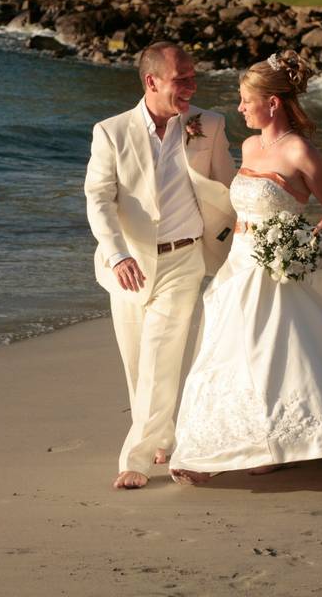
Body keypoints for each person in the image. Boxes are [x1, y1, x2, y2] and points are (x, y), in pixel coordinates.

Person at [169, 50, 322, 483]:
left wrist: (303, 249)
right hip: (239, 264)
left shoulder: (300, 150)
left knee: (269, 356)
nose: (240, 107)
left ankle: (273, 445)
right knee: (224, 353)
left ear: (272, 103)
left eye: (246, 99)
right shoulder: (248, 146)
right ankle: (217, 448)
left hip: (275, 269)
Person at [84, 42, 237, 490]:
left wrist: (256, 231)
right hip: (127, 264)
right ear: (151, 82)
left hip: (185, 257)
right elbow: (98, 200)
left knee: (160, 354)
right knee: (137, 362)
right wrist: (117, 254)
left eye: (193, 77)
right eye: (181, 79)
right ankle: (161, 436)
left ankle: (136, 459)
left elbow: (229, 188)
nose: (191, 86)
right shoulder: (110, 132)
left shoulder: (209, 124)